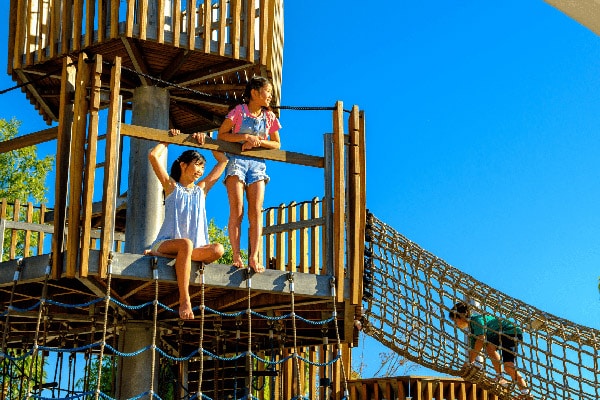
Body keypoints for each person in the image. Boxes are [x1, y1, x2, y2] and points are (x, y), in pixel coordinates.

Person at [147, 130, 228, 320]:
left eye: (202, 167)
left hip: (192, 248)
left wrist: (206, 141)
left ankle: (172, 258)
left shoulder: (201, 190)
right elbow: (153, 156)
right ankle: (185, 300)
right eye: (197, 165)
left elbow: (223, 161)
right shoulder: (171, 187)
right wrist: (168, 140)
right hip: (168, 242)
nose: (200, 171)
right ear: (183, 165)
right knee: (185, 244)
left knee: (218, 249)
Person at [217, 76, 282, 273]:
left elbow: (277, 143)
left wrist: (257, 142)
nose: (270, 96)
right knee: (237, 210)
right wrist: (245, 137)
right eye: (267, 91)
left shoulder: (269, 117)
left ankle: (253, 257)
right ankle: (237, 254)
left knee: (256, 211)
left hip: (257, 165)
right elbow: (222, 135)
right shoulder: (238, 112)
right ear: (254, 92)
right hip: (236, 161)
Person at [448, 301, 531, 398]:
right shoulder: (472, 329)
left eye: (455, 320)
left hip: (509, 332)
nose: (455, 324)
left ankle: (508, 381)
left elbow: (480, 339)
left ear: (461, 315)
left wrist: (471, 361)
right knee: (505, 363)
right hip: (502, 335)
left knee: (496, 354)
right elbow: (474, 348)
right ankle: (517, 387)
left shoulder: (476, 320)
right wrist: (469, 363)